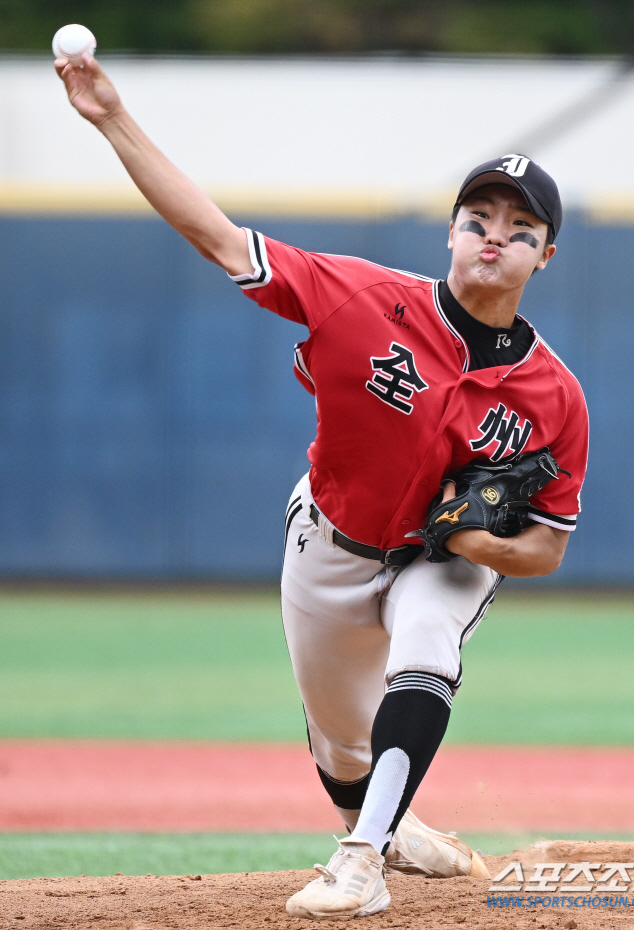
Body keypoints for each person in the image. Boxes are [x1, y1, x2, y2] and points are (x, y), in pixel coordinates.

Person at [55, 55, 589, 920]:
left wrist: (477, 544)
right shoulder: (359, 299)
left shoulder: (555, 395)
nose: (495, 235)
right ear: (449, 233)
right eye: (478, 217)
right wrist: (112, 117)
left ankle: (361, 861)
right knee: (342, 744)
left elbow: (549, 545)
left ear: (545, 255)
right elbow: (220, 237)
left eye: (520, 227)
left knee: (427, 638)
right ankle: (389, 822)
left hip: (439, 558)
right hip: (330, 542)